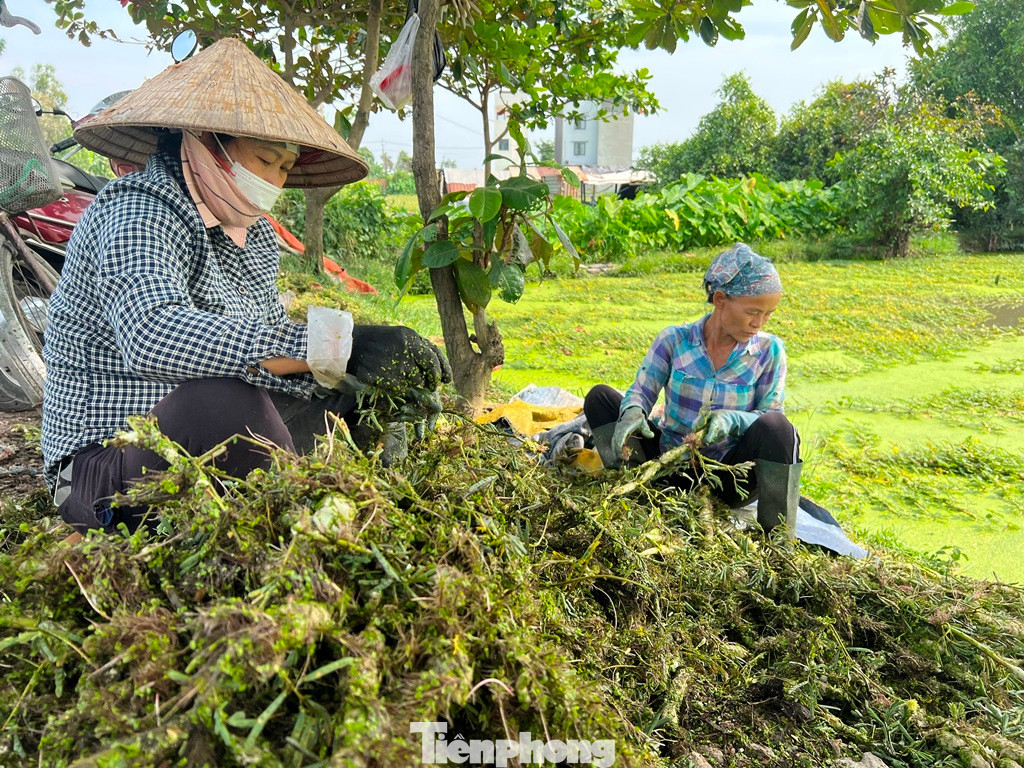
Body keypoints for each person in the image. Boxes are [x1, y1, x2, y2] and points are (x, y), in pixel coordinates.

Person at [41, 38, 450, 535]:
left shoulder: (253, 234)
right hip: (106, 467)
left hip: (197, 450)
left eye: (284, 166)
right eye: (264, 159)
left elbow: (269, 353)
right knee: (223, 400)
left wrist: (349, 371)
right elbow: (152, 335)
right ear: (207, 143)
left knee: (337, 397)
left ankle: (333, 501)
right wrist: (334, 345)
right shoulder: (136, 210)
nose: (275, 180)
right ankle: (298, 521)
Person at [583, 243, 801, 534]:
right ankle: (623, 480)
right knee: (600, 398)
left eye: (768, 314)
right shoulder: (674, 340)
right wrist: (633, 412)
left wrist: (734, 420)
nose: (758, 323)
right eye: (753, 312)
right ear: (721, 299)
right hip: (667, 466)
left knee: (780, 428)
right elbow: (641, 392)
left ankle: (778, 538)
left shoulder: (769, 350)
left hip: (730, 478)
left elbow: (770, 414)